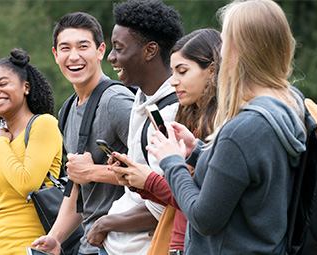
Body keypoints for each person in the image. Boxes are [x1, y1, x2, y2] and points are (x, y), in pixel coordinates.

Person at [148, 0, 307, 254]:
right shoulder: (291, 104)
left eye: (226, 40)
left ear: (238, 50)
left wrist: (172, 162)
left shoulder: (243, 128)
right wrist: (198, 151)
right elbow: (248, 177)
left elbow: (204, 218)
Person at [109, 28, 222, 254]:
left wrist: (149, 181)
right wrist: (137, 180)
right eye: (173, 72)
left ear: (211, 70)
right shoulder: (192, 119)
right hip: (180, 243)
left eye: (182, 72)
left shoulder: (223, 126)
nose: (173, 82)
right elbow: (180, 194)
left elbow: (199, 203)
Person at [85, 1, 184, 254]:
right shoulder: (141, 97)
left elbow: (168, 203)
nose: (111, 57)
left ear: (150, 50)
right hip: (117, 244)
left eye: (118, 48)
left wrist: (106, 223)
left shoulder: (172, 112)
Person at [31, 12, 134, 255]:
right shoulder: (68, 108)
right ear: (55, 55)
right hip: (89, 246)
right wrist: (56, 238)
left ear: (100, 51)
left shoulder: (116, 101)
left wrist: (93, 172)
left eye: (83, 46)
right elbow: (76, 187)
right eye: (65, 48)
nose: (73, 56)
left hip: (124, 245)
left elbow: (158, 173)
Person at [0, 48, 62, 255]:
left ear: (26, 87)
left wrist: (1, 145)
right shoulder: (1, 139)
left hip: (33, 249)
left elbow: (27, 183)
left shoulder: (44, 124)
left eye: (3, 84)